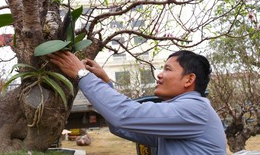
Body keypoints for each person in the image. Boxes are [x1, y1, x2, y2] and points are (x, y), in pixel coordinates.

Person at [48, 50, 227, 155]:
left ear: (189, 80)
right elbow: (123, 126)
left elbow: (126, 115)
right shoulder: (183, 115)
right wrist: (104, 82)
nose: (159, 74)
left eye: (167, 69)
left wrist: (82, 75)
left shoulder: (194, 109)